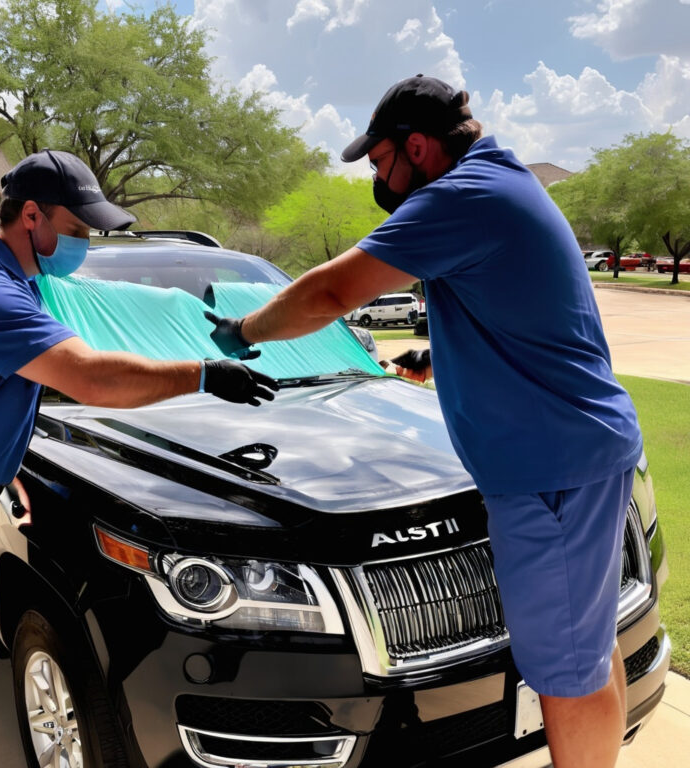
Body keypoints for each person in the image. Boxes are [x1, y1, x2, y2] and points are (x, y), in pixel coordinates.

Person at [205, 75, 642, 768]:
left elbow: (329, 290)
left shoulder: (461, 197)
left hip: (550, 472)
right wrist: (433, 358)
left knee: (565, 670)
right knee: (587, 652)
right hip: (579, 452)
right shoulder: (503, 183)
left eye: (380, 162)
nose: (379, 179)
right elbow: (513, 315)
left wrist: (243, 331)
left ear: (418, 145)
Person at [0, 149, 277, 768]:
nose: (85, 243)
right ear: (31, 215)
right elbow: (91, 379)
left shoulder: (22, 280)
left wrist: (209, 325)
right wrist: (203, 374)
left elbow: (115, 310)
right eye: (79, 229)